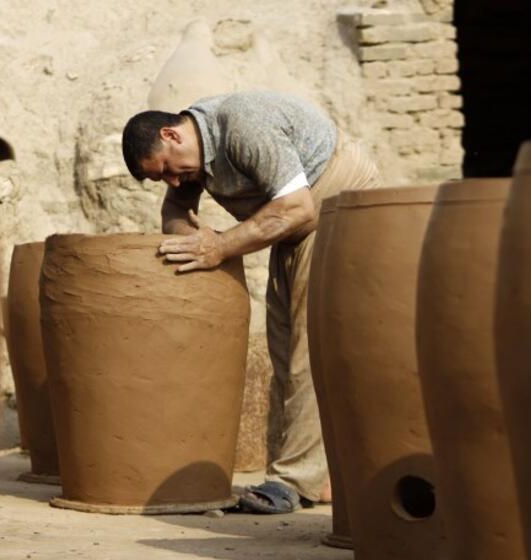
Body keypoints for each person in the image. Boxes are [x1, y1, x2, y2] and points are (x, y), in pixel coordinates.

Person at [121, 90, 379, 513]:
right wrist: (191, 243)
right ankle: (315, 476)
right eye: (160, 179)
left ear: (171, 135)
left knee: (309, 349)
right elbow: (175, 214)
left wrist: (220, 247)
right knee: (284, 350)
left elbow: (296, 207)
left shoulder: (242, 125)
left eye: (165, 169)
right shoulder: (191, 162)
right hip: (291, 227)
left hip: (334, 205)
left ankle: (293, 482)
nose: (172, 182)